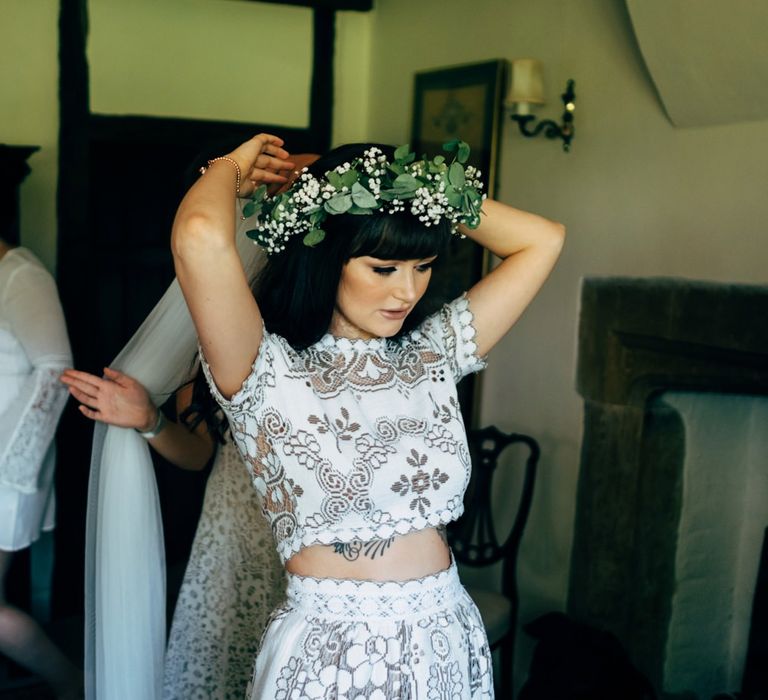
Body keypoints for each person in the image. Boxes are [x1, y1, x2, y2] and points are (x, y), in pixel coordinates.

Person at [172, 133, 565, 698]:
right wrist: (232, 168)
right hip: (333, 651)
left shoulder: (431, 355)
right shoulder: (264, 371)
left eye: (423, 266)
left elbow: (542, 241)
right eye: (384, 268)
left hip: (443, 636)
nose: (408, 291)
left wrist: (401, 187)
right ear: (328, 256)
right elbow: (199, 237)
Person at [60, 364, 285, 699]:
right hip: (233, 532)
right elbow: (197, 453)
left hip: (315, 537)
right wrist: (151, 422)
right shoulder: (208, 344)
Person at [0, 237, 82, 699]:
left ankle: (72, 683)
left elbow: (55, 373)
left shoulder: (21, 276)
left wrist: (11, 465)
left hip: (9, 469)